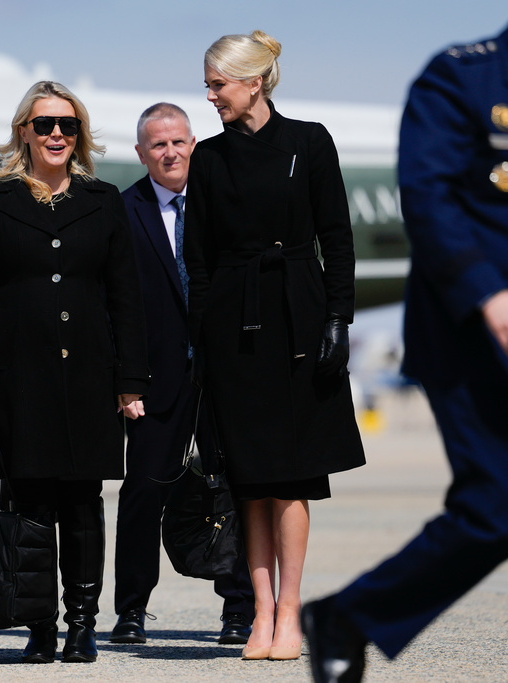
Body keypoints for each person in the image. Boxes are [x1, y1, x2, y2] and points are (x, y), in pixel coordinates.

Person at [302, 25, 508, 683]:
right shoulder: (460, 78)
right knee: (496, 507)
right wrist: (491, 296)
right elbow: (427, 195)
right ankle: (349, 616)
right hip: (472, 333)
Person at [184, 30, 365, 662]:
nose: (211, 97)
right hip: (233, 327)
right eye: (208, 85)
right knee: (249, 480)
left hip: (297, 318)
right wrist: (203, 337)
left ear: (254, 81)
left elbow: (337, 239)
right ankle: (259, 614)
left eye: (218, 85)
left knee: (290, 478)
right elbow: (197, 259)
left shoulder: (310, 142)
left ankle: (290, 614)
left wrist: (337, 321)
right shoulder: (206, 159)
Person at [0, 80, 149, 664]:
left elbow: (126, 298)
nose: (57, 134)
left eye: (68, 124)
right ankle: (37, 621)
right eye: (45, 125)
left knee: (83, 502)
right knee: (30, 503)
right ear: (25, 132)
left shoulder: (104, 199)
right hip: (20, 379)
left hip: (90, 376)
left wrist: (131, 381)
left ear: (80, 133)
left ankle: (82, 621)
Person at [110, 102, 255, 647]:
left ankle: (239, 609)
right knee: (143, 494)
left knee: (234, 492)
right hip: (154, 382)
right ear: (142, 154)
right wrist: (123, 380)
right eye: (157, 145)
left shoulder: (226, 202)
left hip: (226, 376)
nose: (169, 153)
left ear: (194, 143)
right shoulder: (123, 211)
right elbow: (114, 304)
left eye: (178, 142)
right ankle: (130, 611)